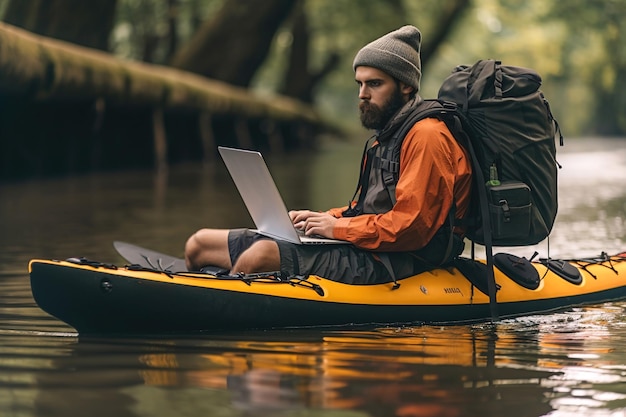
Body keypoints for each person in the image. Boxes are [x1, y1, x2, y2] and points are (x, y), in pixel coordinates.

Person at [185, 25, 472, 285]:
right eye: (359, 84)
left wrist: (337, 228)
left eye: (374, 84)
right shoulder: (384, 137)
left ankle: (216, 310)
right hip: (368, 243)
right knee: (199, 244)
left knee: (259, 257)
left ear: (406, 85)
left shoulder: (427, 136)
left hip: (403, 258)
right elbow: (363, 210)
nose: (362, 94)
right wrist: (320, 219)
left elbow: (412, 228)